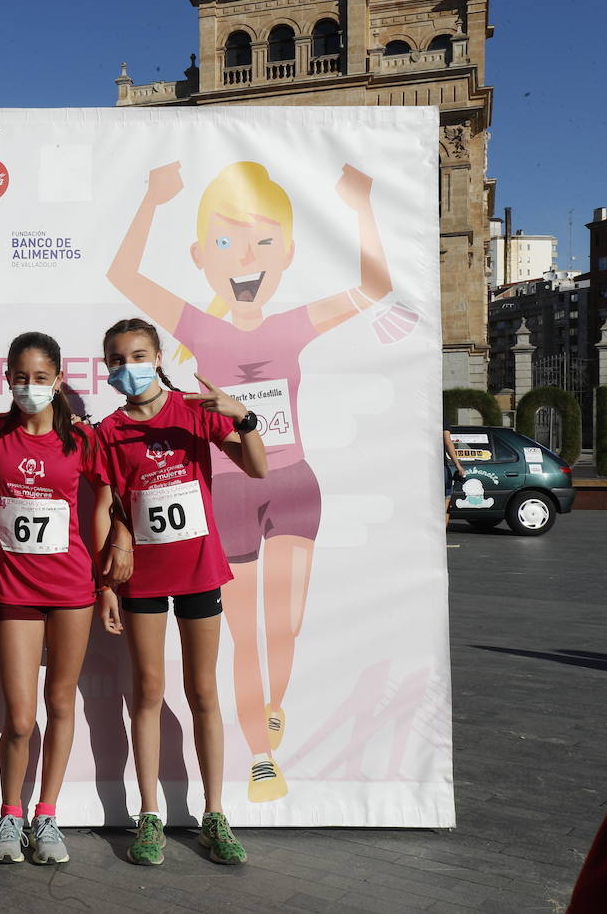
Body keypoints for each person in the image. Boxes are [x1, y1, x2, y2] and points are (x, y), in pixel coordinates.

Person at [106, 159, 395, 802]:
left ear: (287, 254)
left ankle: (271, 707)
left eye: (263, 241)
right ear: (201, 256)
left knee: (285, 626)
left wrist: (362, 206)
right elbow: (123, 275)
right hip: (227, 495)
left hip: (290, 484)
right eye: (225, 241)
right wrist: (152, 200)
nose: (245, 257)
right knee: (242, 635)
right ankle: (261, 755)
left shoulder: (293, 324)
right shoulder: (197, 328)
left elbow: (374, 285)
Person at [93, 317, 267, 866]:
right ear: (107, 367)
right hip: (141, 575)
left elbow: (256, 467)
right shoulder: (107, 431)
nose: (128, 368)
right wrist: (106, 584)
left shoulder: (193, 411)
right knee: (146, 690)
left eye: (138, 355)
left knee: (203, 692)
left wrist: (246, 417)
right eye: (117, 360)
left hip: (198, 570)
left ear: (159, 354)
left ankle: (215, 814)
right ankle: (150, 816)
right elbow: (105, 508)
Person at [0, 332, 106, 865]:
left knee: (60, 702)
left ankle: (46, 815)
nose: (30, 386)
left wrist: (118, 544)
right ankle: (10, 813)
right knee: (21, 717)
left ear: (58, 378)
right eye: (20, 377)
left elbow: (115, 495)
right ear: (8, 379)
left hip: (73, 587)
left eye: (40, 377)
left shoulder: (82, 441)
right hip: (16, 590)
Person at [443, 428, 467, 524]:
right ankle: (441, 536)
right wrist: (458, 465)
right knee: (444, 506)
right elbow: (448, 442)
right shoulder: (441, 418)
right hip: (440, 468)